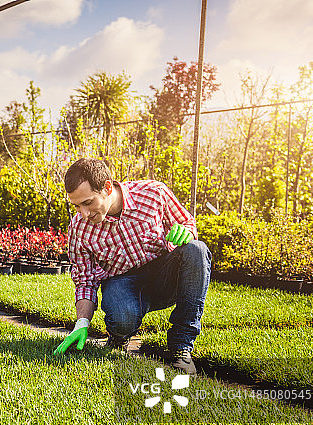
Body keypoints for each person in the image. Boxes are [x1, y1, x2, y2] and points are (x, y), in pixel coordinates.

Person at [52, 158, 211, 375]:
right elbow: (85, 279)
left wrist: (187, 232)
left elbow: (187, 223)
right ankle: (119, 336)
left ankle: (181, 346)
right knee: (121, 317)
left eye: (88, 203)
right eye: (76, 206)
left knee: (197, 250)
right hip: (122, 282)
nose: (83, 214)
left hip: (164, 275)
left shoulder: (154, 194)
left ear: (107, 187)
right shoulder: (79, 228)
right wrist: (82, 323)